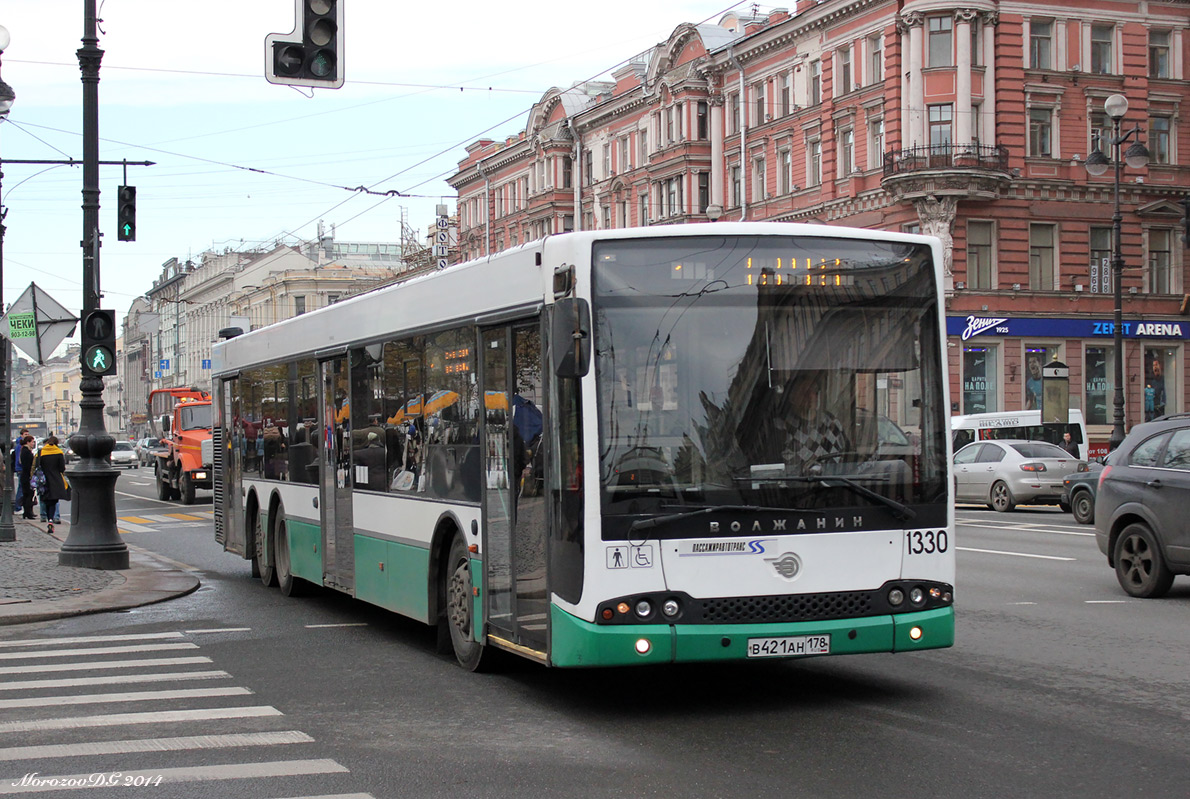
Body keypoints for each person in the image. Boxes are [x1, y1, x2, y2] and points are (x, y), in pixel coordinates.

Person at [776, 373, 851, 469]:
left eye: (814, 392)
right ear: (792, 397)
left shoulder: (832, 424)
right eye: (805, 392)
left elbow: (847, 458)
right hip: (796, 483)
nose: (811, 396)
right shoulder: (780, 426)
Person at [34, 436, 68, 525]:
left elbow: (37, 466)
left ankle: (44, 516)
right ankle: (51, 520)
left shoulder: (41, 452)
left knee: (45, 499)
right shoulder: (59, 452)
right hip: (56, 479)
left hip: (43, 480)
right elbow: (62, 468)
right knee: (54, 501)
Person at [18, 435, 36, 519]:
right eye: (32, 442)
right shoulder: (26, 452)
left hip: (25, 476)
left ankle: (26, 512)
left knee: (26, 494)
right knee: (29, 494)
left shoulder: (25, 450)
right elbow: (27, 465)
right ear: (28, 442)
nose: (33, 444)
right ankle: (28, 513)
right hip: (27, 476)